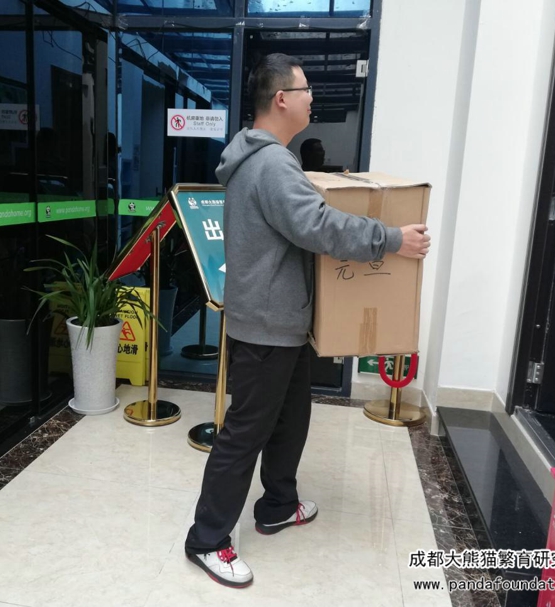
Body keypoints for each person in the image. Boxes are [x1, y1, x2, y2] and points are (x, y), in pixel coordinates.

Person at [184, 53, 431, 588]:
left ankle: (278, 505)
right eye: (306, 90)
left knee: (291, 419)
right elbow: (318, 226)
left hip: (279, 322)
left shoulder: (262, 159)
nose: (312, 99)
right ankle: (206, 539)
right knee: (244, 434)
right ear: (281, 99)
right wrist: (392, 239)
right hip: (266, 327)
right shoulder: (271, 164)